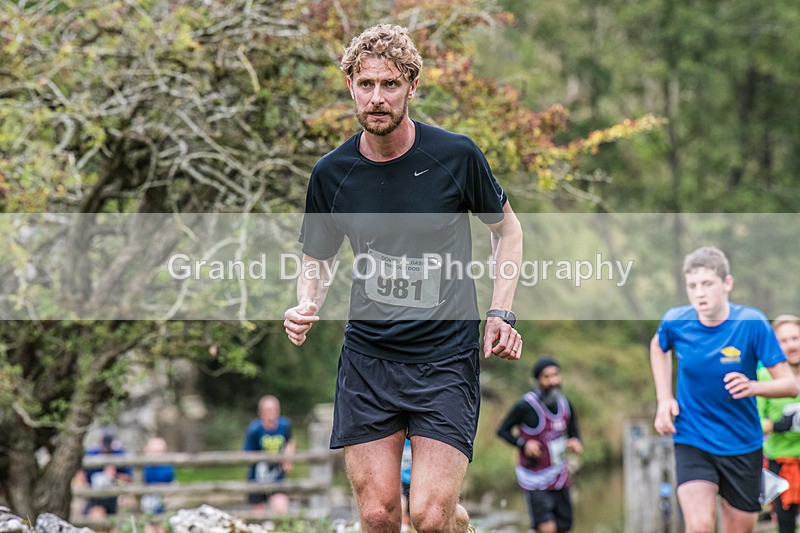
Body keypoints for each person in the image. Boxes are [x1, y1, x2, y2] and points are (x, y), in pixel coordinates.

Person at [283, 23, 523, 533]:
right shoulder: (332, 174)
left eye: (390, 84)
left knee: (431, 519)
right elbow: (318, 257)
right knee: (377, 514)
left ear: (412, 87)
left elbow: (509, 230)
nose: (377, 97)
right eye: (366, 84)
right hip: (369, 360)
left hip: (445, 360)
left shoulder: (455, 156)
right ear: (350, 85)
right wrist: (307, 302)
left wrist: (501, 310)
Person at [650, 246, 799, 533]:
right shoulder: (676, 321)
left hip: (743, 443)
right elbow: (658, 346)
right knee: (699, 527)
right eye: (692, 286)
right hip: (693, 437)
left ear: (726, 284)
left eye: (707, 284)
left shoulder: (751, 323)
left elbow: (790, 385)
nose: (699, 293)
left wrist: (753, 386)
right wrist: (663, 397)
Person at [497, 356, 583, 533]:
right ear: (537, 380)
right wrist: (524, 444)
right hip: (535, 478)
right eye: (547, 376)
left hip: (560, 475)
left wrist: (575, 441)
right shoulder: (525, 406)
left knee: (564, 525)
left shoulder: (565, 404)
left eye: (556, 375)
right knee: (546, 527)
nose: (553, 381)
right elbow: (502, 431)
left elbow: (573, 431)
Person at [758, 314, 800, 533]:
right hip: (779, 463)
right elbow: (754, 420)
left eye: (795, 338)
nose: (791, 345)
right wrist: (776, 425)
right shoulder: (764, 376)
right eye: (784, 340)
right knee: (785, 524)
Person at [242, 395, 296, 515]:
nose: (272, 412)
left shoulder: (284, 425)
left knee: (281, 512)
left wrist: (287, 459)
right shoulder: (254, 429)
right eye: (268, 410)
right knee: (258, 517)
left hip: (277, 477)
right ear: (260, 412)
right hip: (257, 478)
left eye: (274, 409)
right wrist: (266, 458)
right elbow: (247, 453)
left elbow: (289, 442)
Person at [78, 429, 133, 520]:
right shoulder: (91, 454)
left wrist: (114, 475)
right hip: (94, 498)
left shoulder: (120, 454)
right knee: (97, 514)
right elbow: (81, 474)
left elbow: (129, 478)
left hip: (113, 498)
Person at [141, 436, 175, 516]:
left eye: (160, 451)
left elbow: (171, 483)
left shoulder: (167, 468)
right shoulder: (142, 467)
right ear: (146, 451)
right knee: (149, 503)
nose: (157, 455)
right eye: (154, 451)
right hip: (145, 497)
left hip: (162, 497)